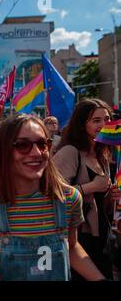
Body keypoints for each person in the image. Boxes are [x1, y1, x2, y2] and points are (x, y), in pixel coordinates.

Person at [0, 115, 105, 281]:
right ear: (3, 151)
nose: (36, 153)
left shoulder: (68, 198)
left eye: (42, 144)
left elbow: (72, 245)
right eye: (23, 145)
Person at [53, 98, 121, 280]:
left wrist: (110, 196)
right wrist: (90, 186)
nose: (104, 124)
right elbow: (53, 195)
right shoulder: (69, 152)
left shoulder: (104, 155)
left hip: (102, 237)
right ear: (82, 125)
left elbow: (101, 205)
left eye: (107, 119)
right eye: (96, 120)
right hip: (78, 238)